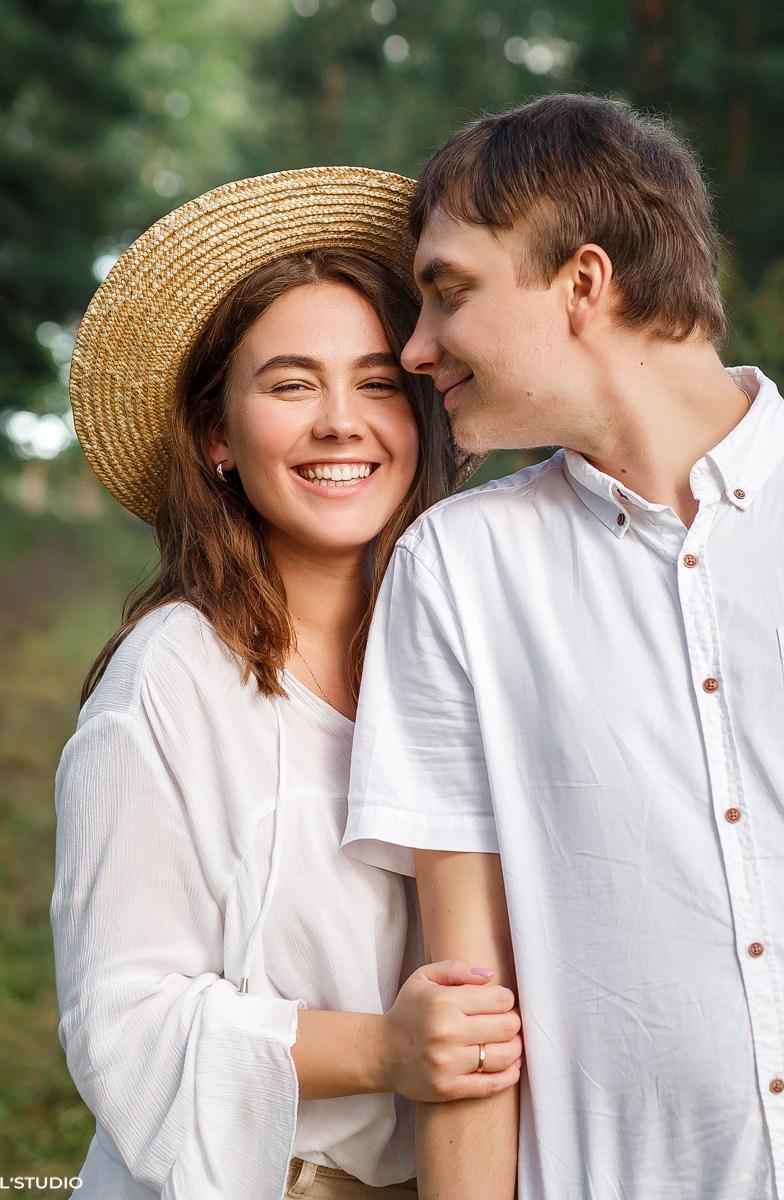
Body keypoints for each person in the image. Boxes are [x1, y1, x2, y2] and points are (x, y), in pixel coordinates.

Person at [51, 167, 523, 1200]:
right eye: (289, 383)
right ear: (217, 437)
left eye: (375, 382)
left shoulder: (473, 653)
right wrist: (384, 1052)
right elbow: (121, 1025)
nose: (340, 422)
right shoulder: (171, 678)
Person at [343, 95, 784, 1199]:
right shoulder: (455, 569)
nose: (416, 348)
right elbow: (468, 1006)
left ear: (584, 283)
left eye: (447, 292)